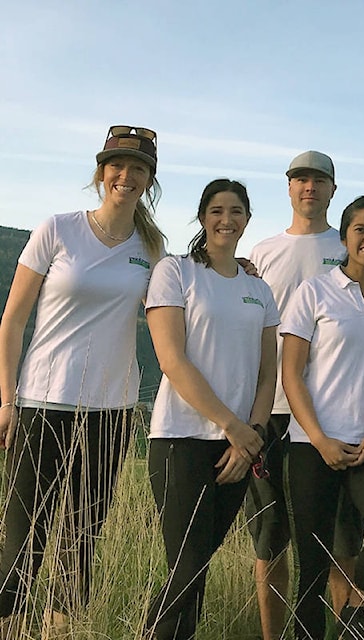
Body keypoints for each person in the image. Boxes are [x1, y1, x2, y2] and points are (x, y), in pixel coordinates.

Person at [0, 125, 166, 636]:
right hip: (42, 402)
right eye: (117, 165)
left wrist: (238, 270)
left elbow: (181, 306)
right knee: (22, 535)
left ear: (149, 180)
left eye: (138, 168)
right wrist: (7, 401)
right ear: (101, 172)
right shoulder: (59, 229)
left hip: (111, 411)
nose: (126, 175)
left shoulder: (151, 248)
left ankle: (57, 632)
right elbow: (12, 322)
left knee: (82, 539)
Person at [144, 179, 278, 639]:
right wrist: (232, 425)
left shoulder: (260, 291)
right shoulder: (175, 271)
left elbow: (266, 375)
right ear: (202, 217)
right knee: (186, 569)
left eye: (237, 210)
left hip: (237, 450)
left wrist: (251, 436)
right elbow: (172, 360)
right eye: (217, 210)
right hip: (180, 438)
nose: (227, 219)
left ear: (247, 219)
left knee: (196, 572)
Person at [243, 150, 363, 639]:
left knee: (341, 543)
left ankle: (342, 633)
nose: (309, 187)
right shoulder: (263, 252)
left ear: (333, 189)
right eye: (300, 179)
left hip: (337, 416)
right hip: (271, 410)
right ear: (288, 188)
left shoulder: (352, 246)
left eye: (318, 180)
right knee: (270, 541)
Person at [282, 196, 364, 640]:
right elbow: (291, 374)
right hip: (312, 445)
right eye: (360, 229)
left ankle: (353, 613)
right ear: (344, 237)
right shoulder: (314, 292)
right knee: (313, 565)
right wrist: (318, 438)